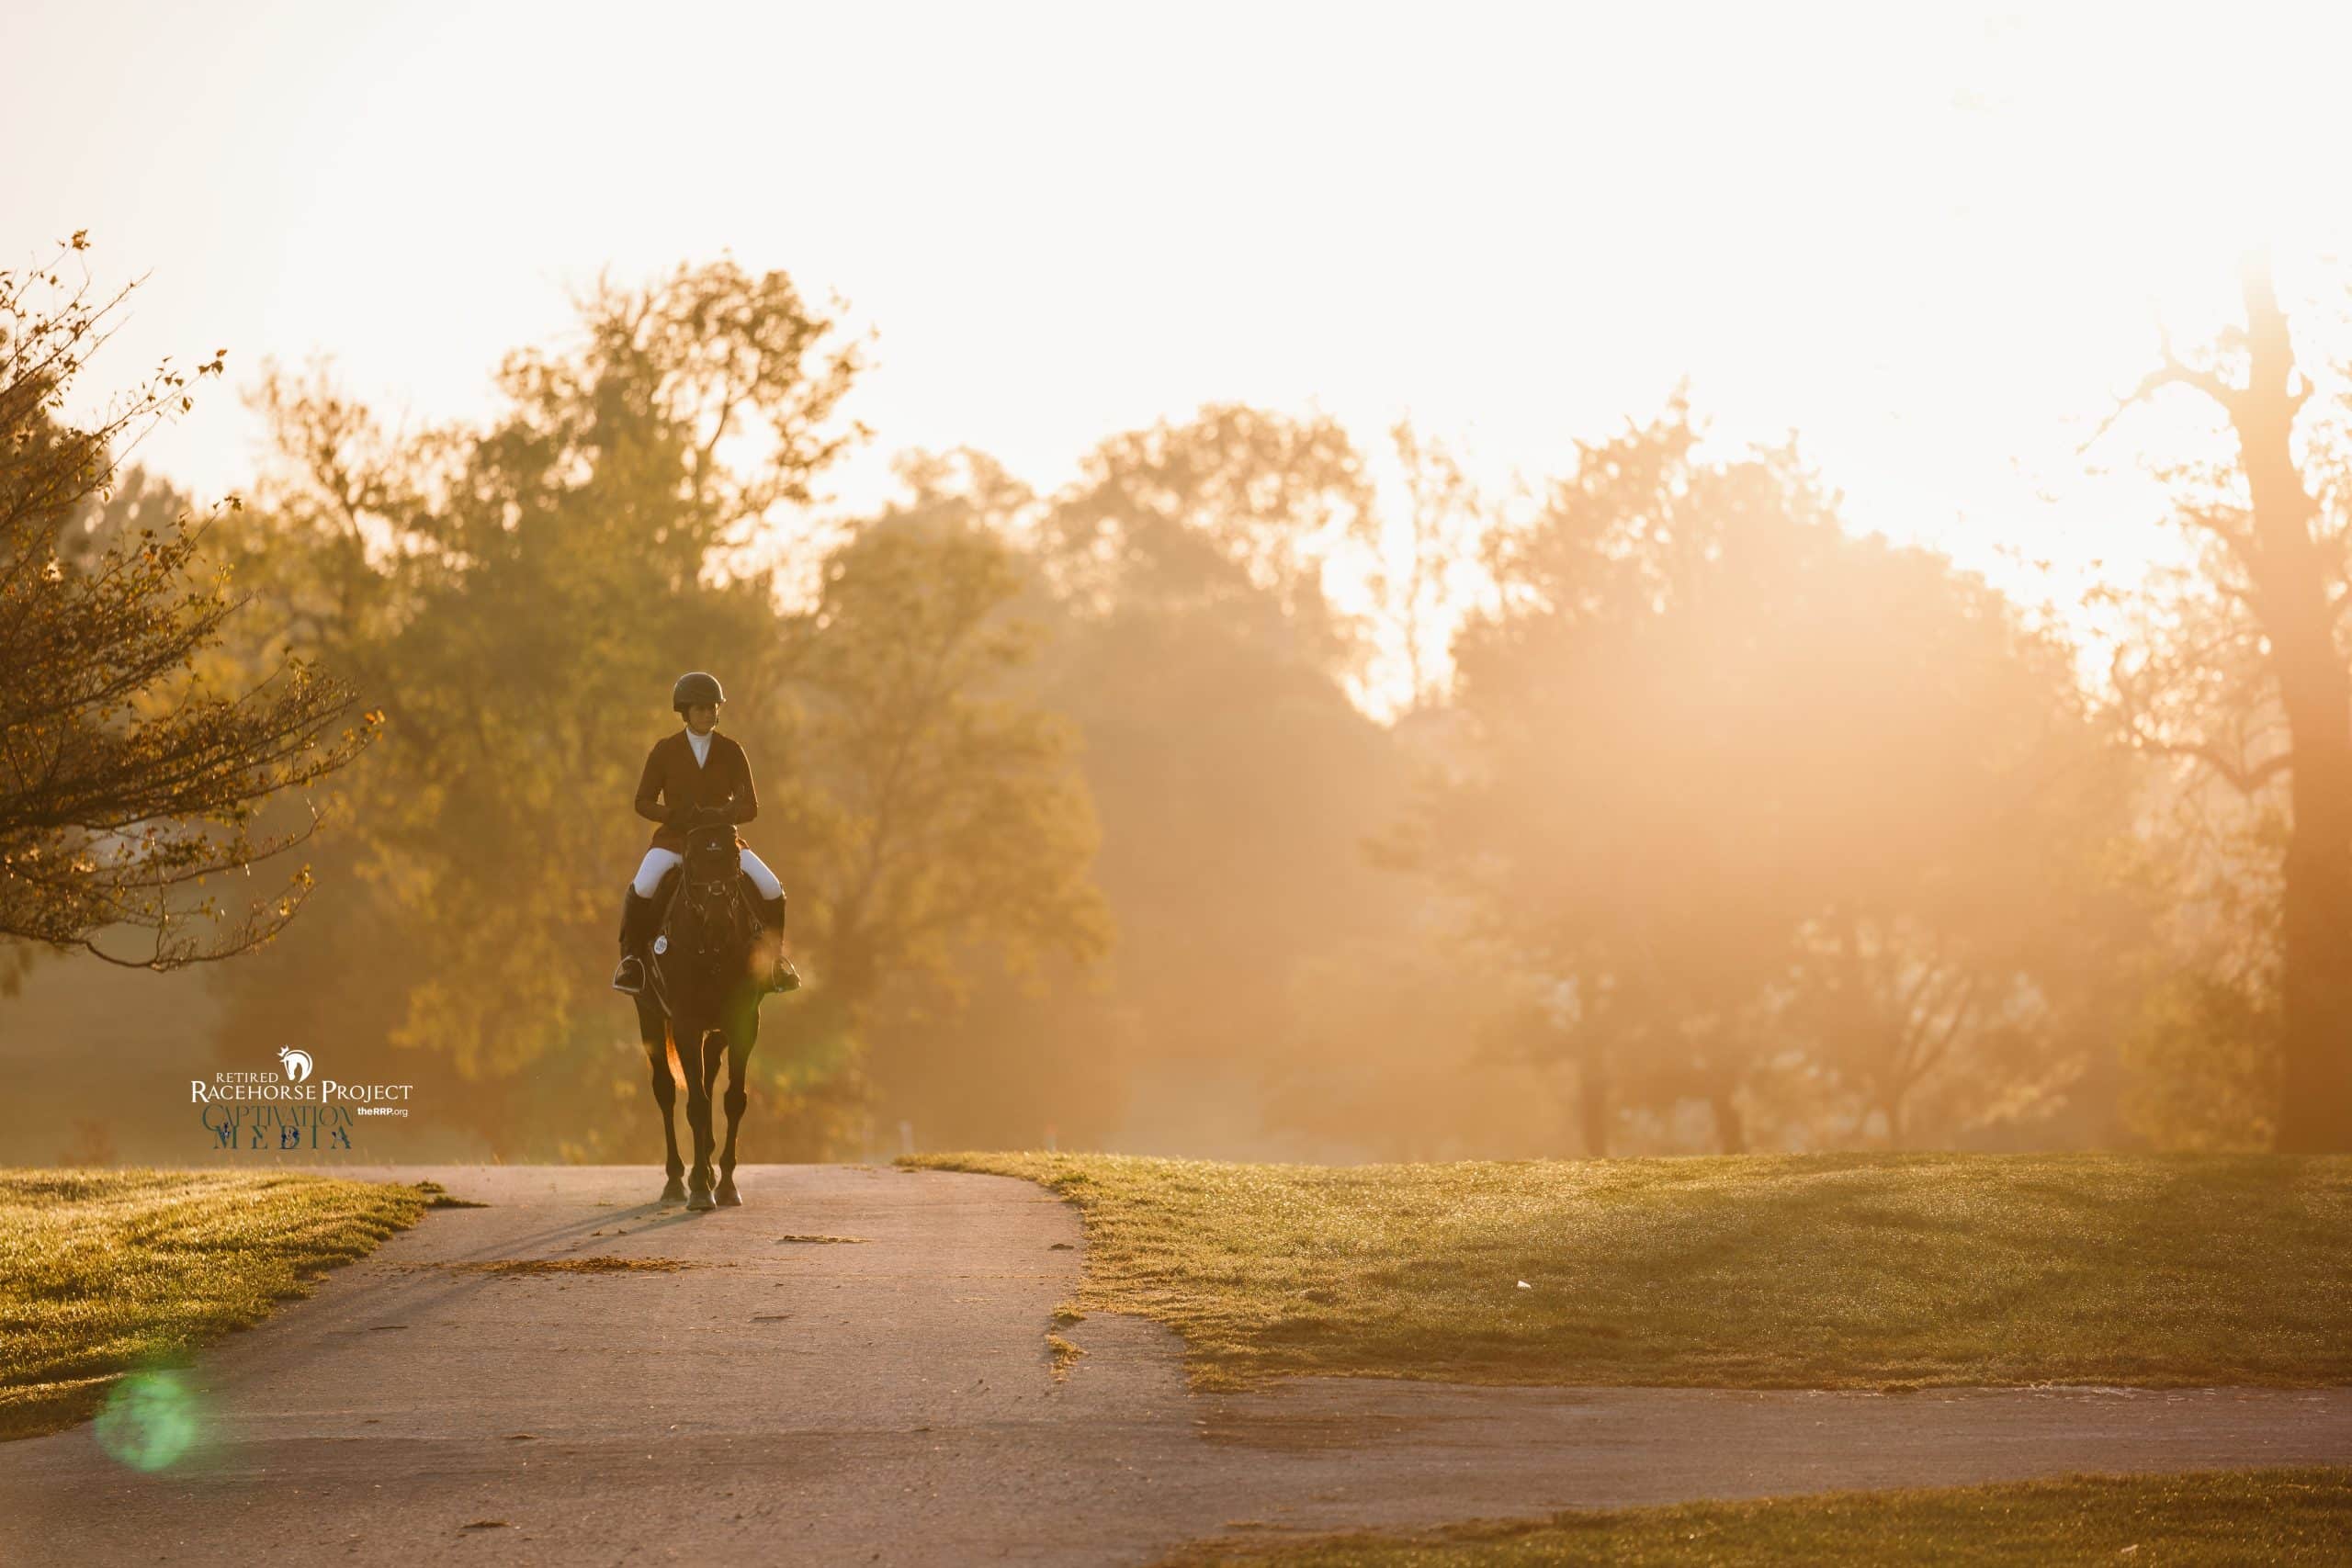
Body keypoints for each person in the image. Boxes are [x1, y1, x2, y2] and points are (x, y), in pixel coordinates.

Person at [611, 671, 797, 995]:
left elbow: (751, 807)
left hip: (722, 842)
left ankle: (775, 963)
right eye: (700, 708)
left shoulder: (732, 750)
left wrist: (721, 816)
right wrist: (672, 816)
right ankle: (632, 964)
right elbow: (642, 801)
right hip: (675, 839)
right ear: (685, 712)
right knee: (642, 886)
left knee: (771, 888)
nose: (709, 713)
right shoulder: (665, 750)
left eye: (713, 707)